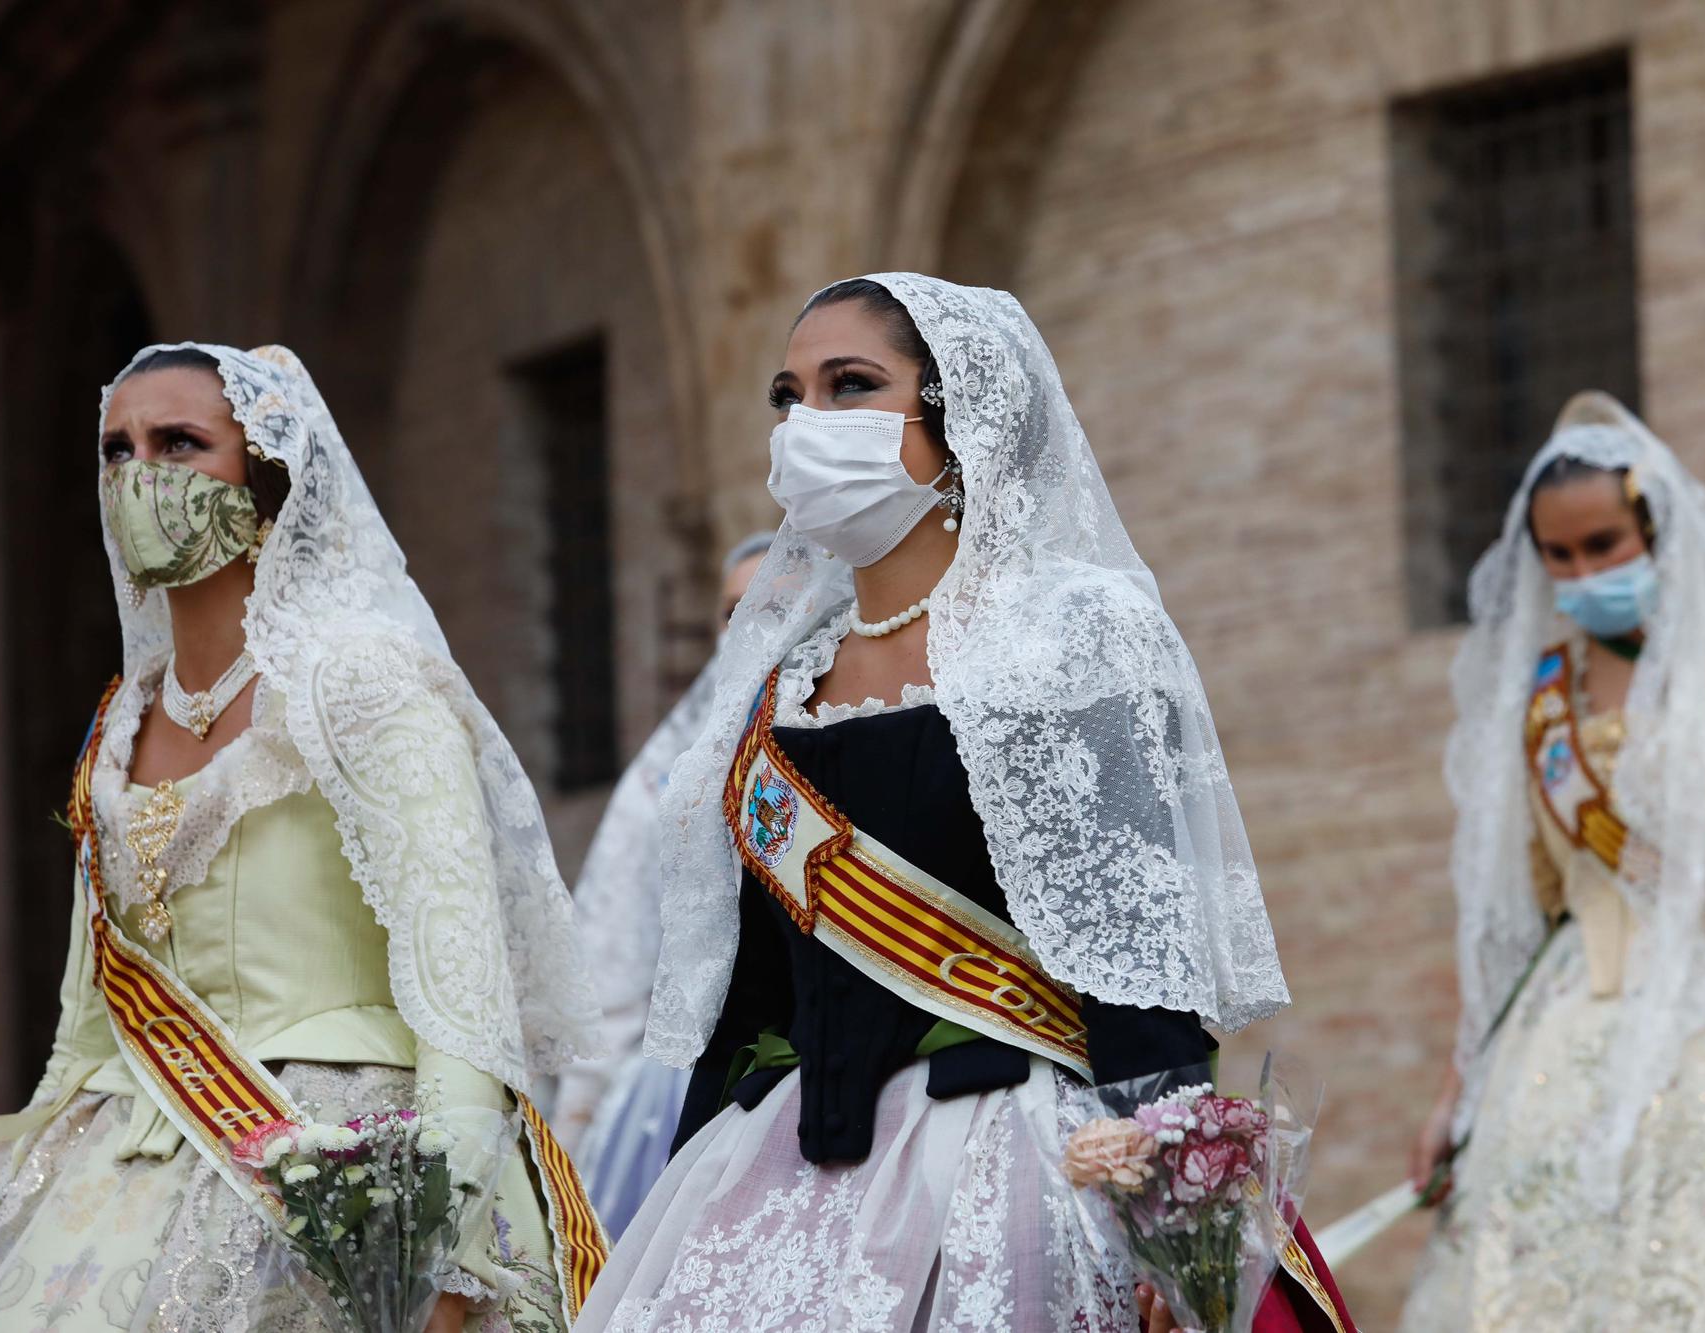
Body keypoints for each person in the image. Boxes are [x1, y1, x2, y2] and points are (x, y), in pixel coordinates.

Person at [575, 274, 1353, 1332]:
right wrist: (677, 1221)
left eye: (851, 385)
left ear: (958, 418)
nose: (808, 423)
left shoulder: (1068, 637)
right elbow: (748, 1009)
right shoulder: (773, 684)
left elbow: (1136, 964)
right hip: (773, 1184)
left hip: (1004, 1166)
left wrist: (1177, 1221)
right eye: (788, 395)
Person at [0, 344, 605, 1333]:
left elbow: (460, 995)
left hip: (341, 1152)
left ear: (264, 476)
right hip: (120, 1152)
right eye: (116, 450)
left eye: (179, 443)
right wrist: (9, 1196)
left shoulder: (361, 683)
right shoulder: (119, 718)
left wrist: (442, 1251)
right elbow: (87, 1018)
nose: (140, 475)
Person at [1402, 393, 1705, 1329]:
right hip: (1563, 1031)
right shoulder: (1544, 696)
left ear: (1658, 526)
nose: (1584, 571)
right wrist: (1454, 1098)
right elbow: (1521, 919)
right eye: (1561, 555)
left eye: (1606, 544)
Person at [553, 531, 776, 1235]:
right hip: (684, 1093)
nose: (746, 628)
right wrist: (575, 1123)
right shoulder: (668, 781)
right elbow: (613, 963)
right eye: (730, 610)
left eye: (768, 605)